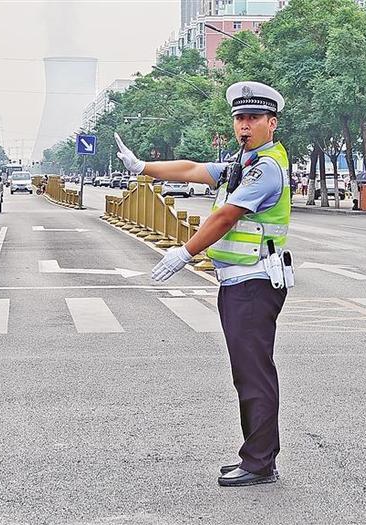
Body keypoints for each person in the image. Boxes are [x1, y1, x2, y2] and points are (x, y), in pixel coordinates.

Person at [115, 81, 290, 488]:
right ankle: (257, 456)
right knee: (246, 373)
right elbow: (193, 169)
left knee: (253, 373)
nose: (244, 126)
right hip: (238, 284)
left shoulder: (266, 169)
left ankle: (260, 462)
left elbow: (226, 216)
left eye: (253, 119)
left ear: (272, 124)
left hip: (255, 283)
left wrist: (184, 251)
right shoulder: (241, 162)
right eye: (239, 119)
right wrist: (144, 168)